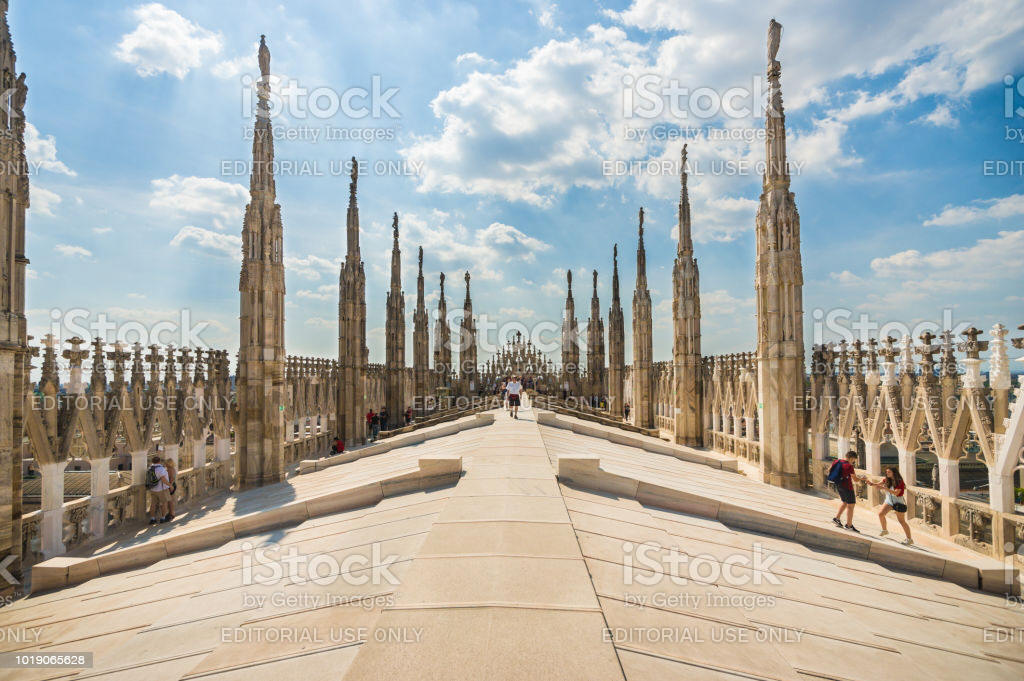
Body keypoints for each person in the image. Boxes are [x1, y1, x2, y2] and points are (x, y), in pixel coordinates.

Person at [868, 467, 913, 545]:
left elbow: (896, 493)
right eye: (886, 472)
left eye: (889, 472)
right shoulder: (886, 479)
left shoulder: (899, 481)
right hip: (888, 501)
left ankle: (909, 539)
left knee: (902, 521)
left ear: (894, 473)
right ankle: (884, 530)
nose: (887, 473)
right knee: (880, 514)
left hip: (898, 502)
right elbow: (878, 484)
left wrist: (885, 488)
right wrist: (871, 484)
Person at [829, 451, 865, 532]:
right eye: (854, 460)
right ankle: (849, 525)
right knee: (851, 505)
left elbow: (829, 469)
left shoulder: (837, 461)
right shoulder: (849, 466)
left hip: (838, 485)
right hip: (847, 487)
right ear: (852, 458)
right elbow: (855, 480)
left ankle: (836, 518)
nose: (854, 462)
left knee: (844, 502)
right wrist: (862, 478)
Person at [145, 455, 171, 525]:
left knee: (153, 504)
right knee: (164, 503)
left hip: (153, 489)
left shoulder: (150, 468)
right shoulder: (161, 469)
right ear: (159, 461)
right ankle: (163, 518)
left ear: (152, 461)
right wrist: (170, 485)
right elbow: (163, 479)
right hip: (161, 489)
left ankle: (152, 519)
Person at [163, 457, 177, 522]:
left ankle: (171, 514)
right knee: (171, 500)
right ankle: (172, 513)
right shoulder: (173, 469)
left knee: (170, 501)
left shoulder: (170, 469)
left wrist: (169, 486)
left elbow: (171, 478)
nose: (165, 464)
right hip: (173, 485)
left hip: (171, 486)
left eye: (166, 463)